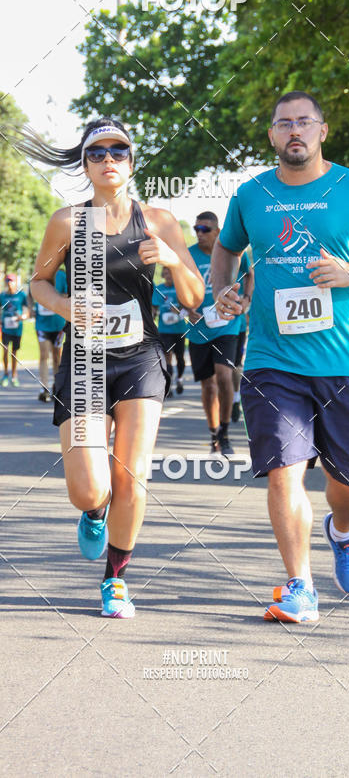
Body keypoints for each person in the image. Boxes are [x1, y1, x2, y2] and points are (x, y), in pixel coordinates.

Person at [211, 91, 349, 623]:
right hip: (271, 362)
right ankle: (299, 585)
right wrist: (224, 289)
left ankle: (342, 532)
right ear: (273, 135)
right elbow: (227, 247)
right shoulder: (251, 194)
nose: (294, 131)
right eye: (283, 124)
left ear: (323, 131)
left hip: (343, 362)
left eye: (304, 122)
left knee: (346, 485)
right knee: (284, 470)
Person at [17, 118, 204, 618]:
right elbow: (39, 284)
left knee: (133, 476)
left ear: (131, 160)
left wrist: (172, 260)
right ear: (85, 164)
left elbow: (194, 299)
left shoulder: (159, 220)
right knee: (90, 488)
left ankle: (116, 580)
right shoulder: (66, 222)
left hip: (140, 358)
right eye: (96, 153)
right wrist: (64, 306)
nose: (108, 160)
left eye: (117, 151)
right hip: (84, 363)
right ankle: (95, 512)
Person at [187, 212, 253, 455]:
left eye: (205, 229)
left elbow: (250, 274)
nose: (200, 233)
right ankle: (213, 432)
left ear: (217, 231)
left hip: (227, 323)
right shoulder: (189, 255)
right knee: (208, 385)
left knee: (224, 376)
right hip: (198, 328)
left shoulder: (232, 251)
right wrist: (185, 308)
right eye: (197, 229)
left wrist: (246, 299)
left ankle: (225, 433)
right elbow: (177, 285)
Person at [152, 265, 188, 398]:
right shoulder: (159, 289)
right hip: (164, 329)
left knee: (180, 358)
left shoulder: (180, 287)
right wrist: (152, 317)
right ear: (162, 275)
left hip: (179, 329)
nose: (168, 275)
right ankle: (170, 385)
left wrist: (179, 311)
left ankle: (180, 379)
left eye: (170, 273)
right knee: (167, 356)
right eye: (165, 273)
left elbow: (188, 307)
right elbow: (154, 307)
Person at [33, 268, 67, 401]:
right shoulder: (38, 273)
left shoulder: (62, 275)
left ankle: (56, 387)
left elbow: (67, 294)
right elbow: (30, 295)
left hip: (58, 324)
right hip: (42, 324)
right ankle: (44, 388)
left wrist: (51, 296)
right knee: (43, 355)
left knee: (56, 357)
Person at [1, 273, 29, 387]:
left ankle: (14, 375)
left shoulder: (21, 295)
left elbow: (27, 311)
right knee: (5, 351)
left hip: (17, 328)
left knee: (14, 353)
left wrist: (22, 317)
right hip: (6, 328)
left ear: (15, 282)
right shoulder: (2, 296)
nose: (9, 283)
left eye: (11, 281)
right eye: (8, 281)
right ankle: (6, 374)